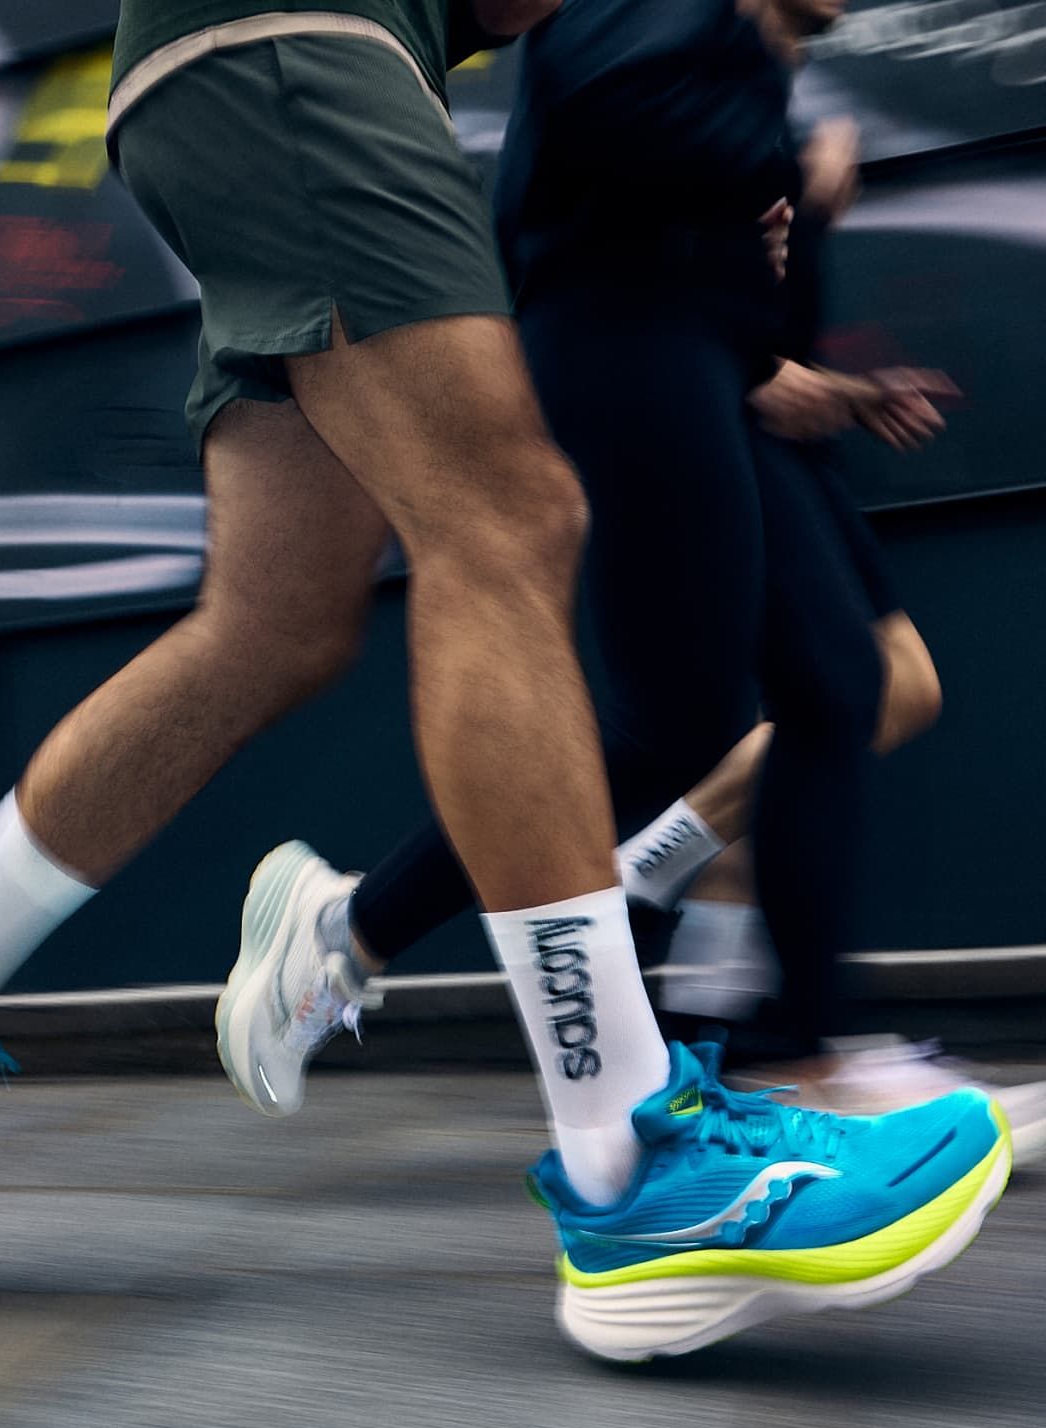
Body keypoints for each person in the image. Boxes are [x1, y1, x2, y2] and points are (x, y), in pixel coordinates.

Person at [0, 0, 1008, 1364]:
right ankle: (630, 1158)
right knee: (506, 518)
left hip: (267, 73)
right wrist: (745, 165)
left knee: (279, 620)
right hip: (302, 47)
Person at [219, 0, 1046, 1163]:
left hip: (699, 368)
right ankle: (360, 926)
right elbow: (599, 134)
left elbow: (732, 268)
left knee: (833, 683)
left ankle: (803, 1052)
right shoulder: (677, 20)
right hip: (623, 355)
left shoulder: (743, 55)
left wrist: (792, 254)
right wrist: (785, 179)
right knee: (685, 719)